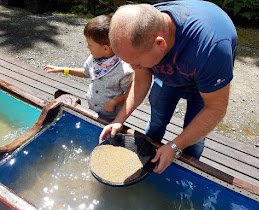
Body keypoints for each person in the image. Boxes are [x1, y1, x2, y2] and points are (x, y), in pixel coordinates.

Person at [99, 0, 237, 174]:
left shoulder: (211, 48)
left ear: (160, 43)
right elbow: (141, 81)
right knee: (157, 118)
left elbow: (216, 109)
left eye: (137, 63)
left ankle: (186, 172)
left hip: (202, 81)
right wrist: (119, 119)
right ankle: (149, 155)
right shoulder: (144, 26)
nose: (133, 69)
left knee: (193, 142)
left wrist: (175, 146)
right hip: (169, 71)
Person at [44, 14, 134, 120]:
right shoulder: (93, 59)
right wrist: (65, 70)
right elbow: (87, 73)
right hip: (92, 109)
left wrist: (115, 101)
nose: (87, 47)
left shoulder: (123, 70)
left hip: (111, 117)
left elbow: (132, 93)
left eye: (90, 44)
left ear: (105, 49)